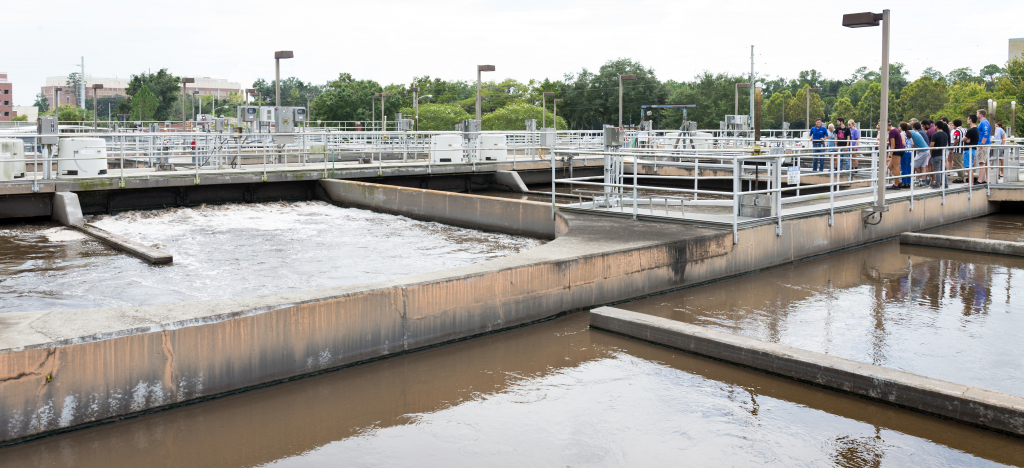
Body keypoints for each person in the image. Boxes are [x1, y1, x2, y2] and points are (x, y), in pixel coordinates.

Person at [929, 120, 949, 188]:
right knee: (943, 170)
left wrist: (931, 153)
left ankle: (937, 184)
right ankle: (946, 184)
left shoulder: (935, 135)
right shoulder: (945, 134)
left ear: (936, 126)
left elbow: (931, 146)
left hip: (936, 154)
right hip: (943, 154)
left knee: (937, 170)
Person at [885, 120, 903, 190]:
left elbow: (893, 145)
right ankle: (898, 181)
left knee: (896, 167)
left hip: (896, 150)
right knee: (890, 166)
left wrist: (889, 156)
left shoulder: (892, 132)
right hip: (898, 149)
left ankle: (896, 184)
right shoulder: (895, 129)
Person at [908, 122, 928, 186]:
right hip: (925, 150)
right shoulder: (916, 132)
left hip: (922, 151)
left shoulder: (911, 132)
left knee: (913, 165)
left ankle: (925, 178)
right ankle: (924, 181)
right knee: (923, 166)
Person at [964, 115, 981, 184]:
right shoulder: (976, 129)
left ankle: (970, 183)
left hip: (969, 150)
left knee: (969, 167)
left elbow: (963, 139)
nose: (967, 120)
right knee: (969, 166)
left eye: (968, 119)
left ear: (970, 120)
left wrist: (966, 139)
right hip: (973, 150)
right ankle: (971, 182)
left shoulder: (971, 130)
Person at [977, 109, 991, 183]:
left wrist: (982, 143)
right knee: (986, 162)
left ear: (981, 115)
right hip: (985, 144)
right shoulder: (984, 122)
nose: (977, 115)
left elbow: (986, 133)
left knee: (982, 162)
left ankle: (979, 180)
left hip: (983, 145)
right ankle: (987, 180)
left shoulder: (983, 122)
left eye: (977, 114)